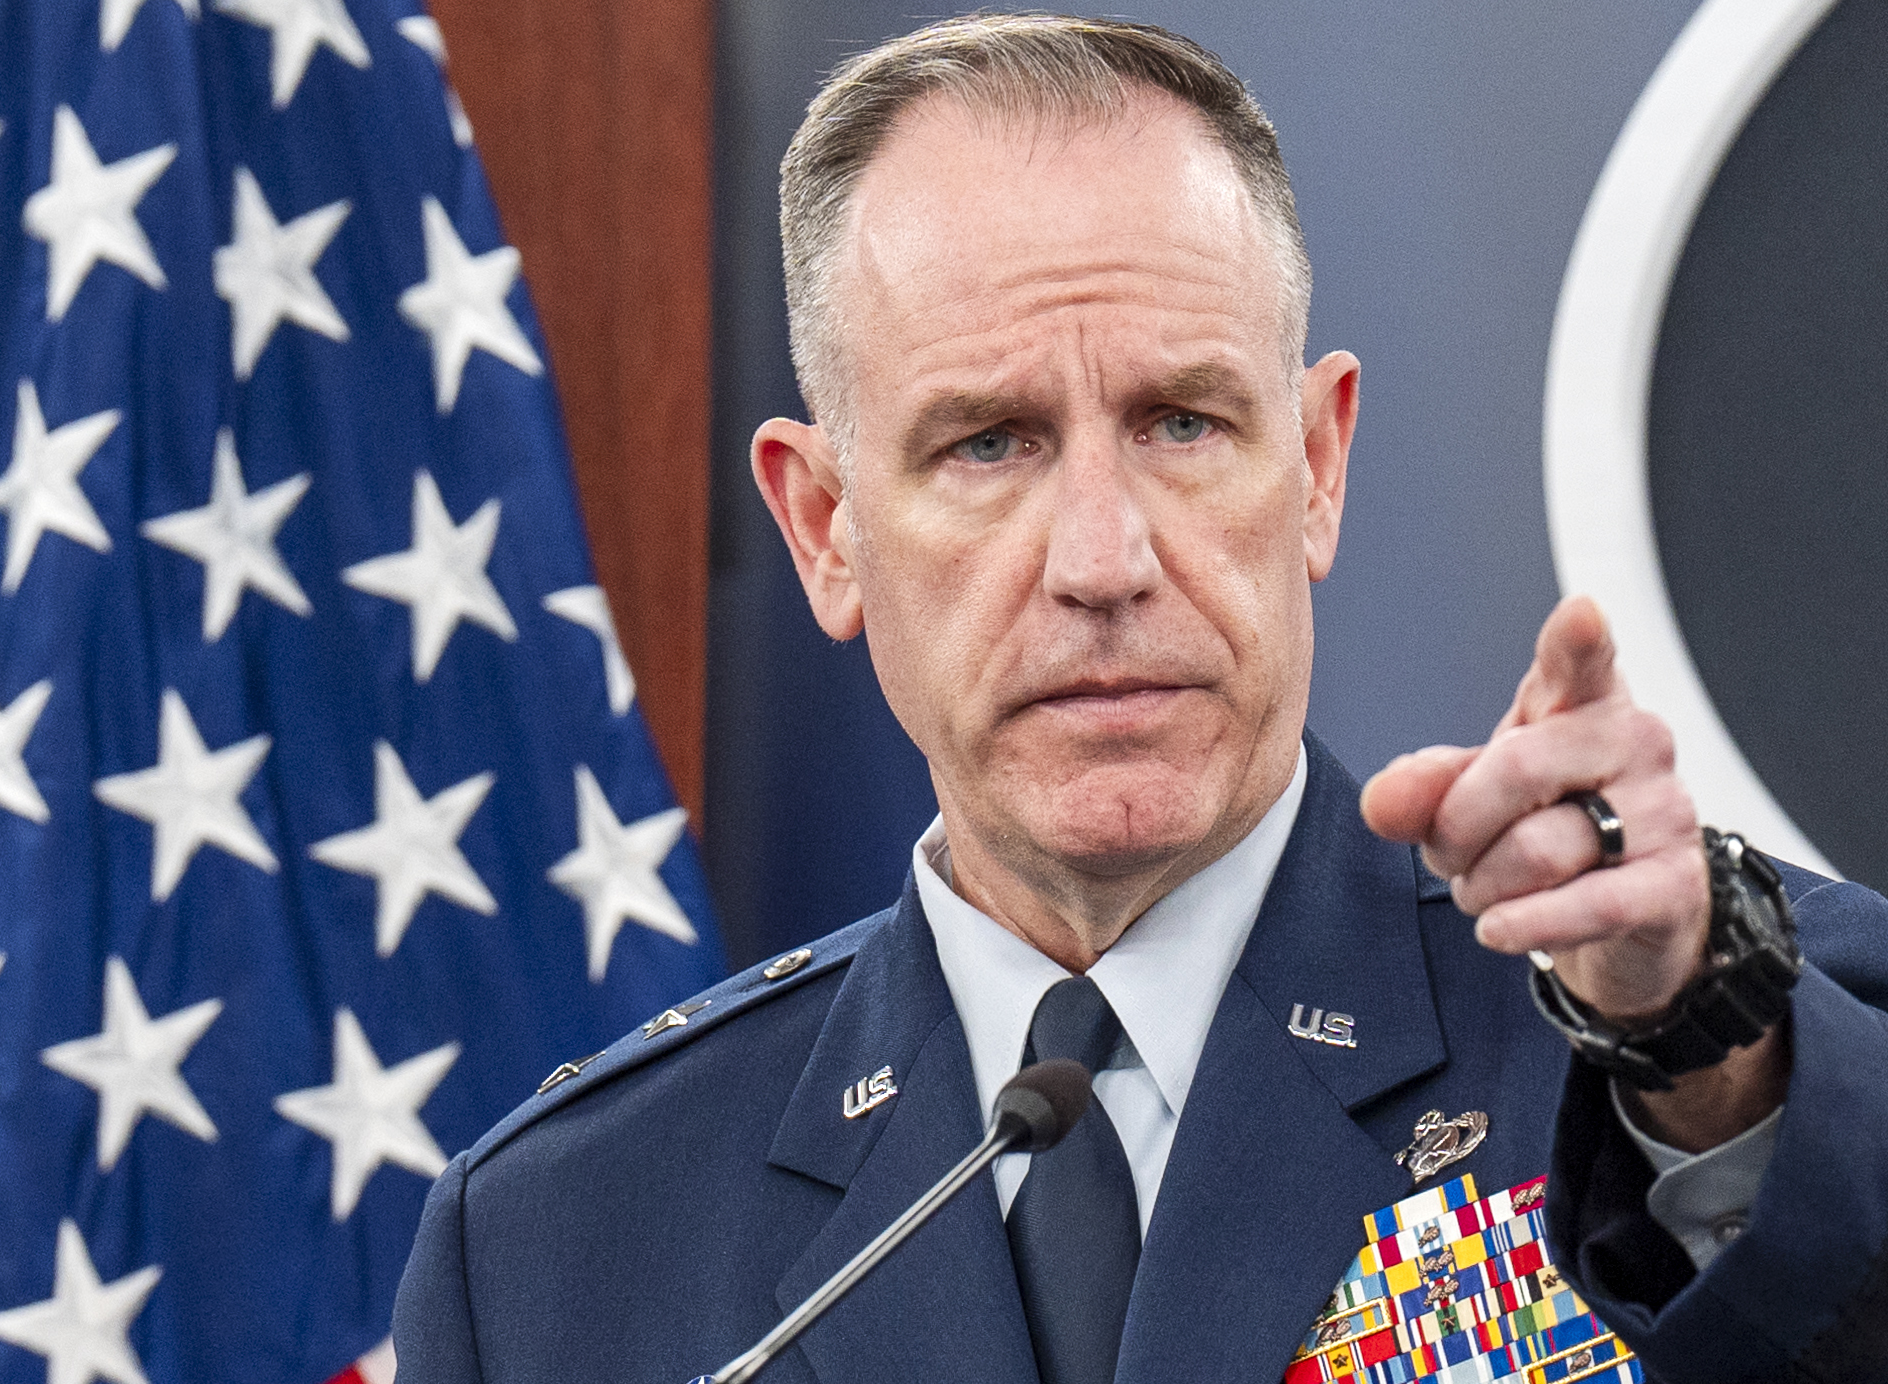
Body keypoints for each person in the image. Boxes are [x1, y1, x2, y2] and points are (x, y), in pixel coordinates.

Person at [393, 16, 1888, 1383]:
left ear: (1314, 466)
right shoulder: (555, 1249)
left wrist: (1706, 1063)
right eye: (986, 442)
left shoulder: (1700, 1029)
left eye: (1181, 422)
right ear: (822, 527)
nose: (1101, 562)